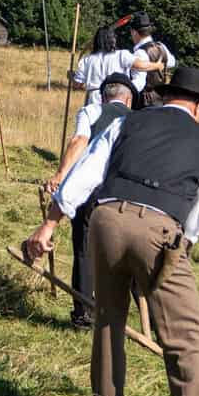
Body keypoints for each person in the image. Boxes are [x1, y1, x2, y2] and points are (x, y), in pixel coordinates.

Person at [23, 66, 199, 396]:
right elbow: (195, 217)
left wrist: (49, 223)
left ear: (164, 97)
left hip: (104, 220)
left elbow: (84, 174)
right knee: (187, 338)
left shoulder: (127, 122)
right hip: (158, 229)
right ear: (197, 106)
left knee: (107, 322)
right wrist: (181, 251)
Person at [45, 72, 137, 329]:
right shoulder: (137, 120)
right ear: (128, 101)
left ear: (103, 95)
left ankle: (84, 311)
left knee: (84, 249)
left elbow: (79, 141)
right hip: (122, 193)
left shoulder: (90, 111)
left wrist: (61, 175)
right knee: (122, 252)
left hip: (90, 190)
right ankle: (124, 308)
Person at [125, 13, 178, 104]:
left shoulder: (139, 53)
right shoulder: (161, 46)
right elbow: (172, 62)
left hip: (146, 102)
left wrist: (124, 90)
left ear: (134, 32)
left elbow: (139, 83)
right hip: (163, 99)